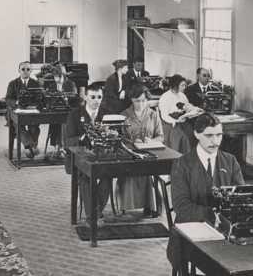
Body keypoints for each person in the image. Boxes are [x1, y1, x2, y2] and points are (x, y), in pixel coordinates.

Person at [167, 113, 245, 269]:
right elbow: (181, 206)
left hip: (225, 228)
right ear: (196, 134)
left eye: (218, 135)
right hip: (191, 227)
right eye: (208, 135)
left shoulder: (230, 161)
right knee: (214, 262)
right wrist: (212, 215)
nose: (215, 141)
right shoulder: (182, 164)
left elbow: (241, 197)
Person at [65, 84, 110, 220]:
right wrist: (83, 136)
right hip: (80, 157)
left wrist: (108, 133)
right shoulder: (74, 114)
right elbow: (68, 141)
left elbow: (116, 134)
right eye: (93, 97)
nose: (96, 101)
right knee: (86, 178)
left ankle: (95, 210)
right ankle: (93, 215)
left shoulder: (106, 114)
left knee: (107, 177)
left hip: (101, 155)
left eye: (99, 97)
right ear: (85, 97)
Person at [116, 84, 163, 215]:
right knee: (132, 172)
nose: (141, 104)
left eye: (143, 100)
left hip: (149, 153)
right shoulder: (124, 115)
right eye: (137, 101)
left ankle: (150, 207)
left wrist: (152, 141)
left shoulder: (153, 114)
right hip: (130, 154)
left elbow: (160, 136)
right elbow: (120, 138)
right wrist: (132, 142)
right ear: (131, 100)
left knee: (149, 173)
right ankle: (126, 206)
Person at [6, 61, 42, 159]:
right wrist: (17, 103)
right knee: (19, 126)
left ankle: (31, 146)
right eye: (23, 69)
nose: (25, 71)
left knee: (34, 126)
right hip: (17, 111)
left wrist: (34, 105)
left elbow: (39, 98)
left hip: (31, 111)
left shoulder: (35, 83)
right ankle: (29, 146)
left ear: (31, 71)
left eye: (28, 69)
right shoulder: (13, 84)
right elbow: (8, 99)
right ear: (19, 71)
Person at [159, 74, 200, 149]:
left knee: (194, 135)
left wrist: (194, 110)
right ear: (175, 85)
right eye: (182, 85)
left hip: (183, 121)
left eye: (185, 85)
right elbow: (164, 115)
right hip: (171, 123)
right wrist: (175, 121)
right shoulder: (165, 97)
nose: (185, 87)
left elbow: (187, 107)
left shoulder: (182, 95)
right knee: (184, 138)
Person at [45, 66, 77, 158]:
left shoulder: (70, 84)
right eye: (54, 77)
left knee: (64, 123)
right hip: (56, 111)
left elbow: (74, 98)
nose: (56, 80)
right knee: (55, 122)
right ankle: (56, 146)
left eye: (58, 77)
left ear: (62, 75)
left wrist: (66, 98)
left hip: (68, 111)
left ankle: (63, 147)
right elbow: (49, 99)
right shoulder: (52, 85)